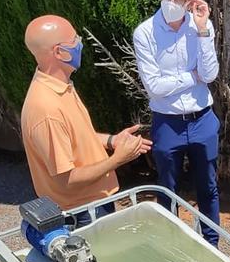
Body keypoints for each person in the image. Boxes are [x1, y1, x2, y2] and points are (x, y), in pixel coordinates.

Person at [19, 15, 151, 227]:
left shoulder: (61, 86)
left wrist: (111, 141)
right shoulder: (47, 108)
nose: (80, 43)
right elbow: (67, 180)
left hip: (93, 203)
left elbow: (76, 138)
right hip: (82, 213)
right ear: (59, 52)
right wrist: (118, 159)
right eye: (74, 40)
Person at [132, 0, 222, 245]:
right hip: (167, 122)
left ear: (191, 0)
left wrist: (204, 31)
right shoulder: (145, 33)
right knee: (167, 187)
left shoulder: (200, 27)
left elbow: (209, 74)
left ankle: (212, 244)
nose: (170, 2)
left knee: (208, 187)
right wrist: (190, 76)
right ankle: (168, 244)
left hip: (202, 119)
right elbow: (155, 87)